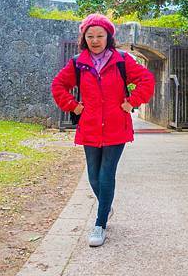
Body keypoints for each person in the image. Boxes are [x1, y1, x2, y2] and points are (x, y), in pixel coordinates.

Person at [51, 13, 155, 247]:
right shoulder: (78, 62)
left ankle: (99, 224)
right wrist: (74, 106)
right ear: (84, 38)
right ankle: (106, 207)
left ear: (108, 37)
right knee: (93, 176)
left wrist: (132, 101)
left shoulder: (121, 60)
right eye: (90, 36)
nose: (95, 40)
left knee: (106, 174)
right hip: (89, 128)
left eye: (100, 36)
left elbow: (146, 79)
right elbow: (58, 85)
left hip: (116, 126)